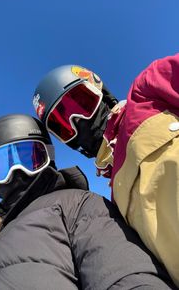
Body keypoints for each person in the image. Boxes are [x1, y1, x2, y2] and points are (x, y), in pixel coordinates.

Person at [0, 114, 176, 290]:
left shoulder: (77, 205)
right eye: (1, 166)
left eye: (29, 158)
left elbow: (126, 274)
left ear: (48, 157)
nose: (16, 172)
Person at [33, 54, 179, 286]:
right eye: (63, 125)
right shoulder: (114, 203)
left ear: (98, 89)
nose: (78, 121)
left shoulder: (147, 96)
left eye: (81, 103)